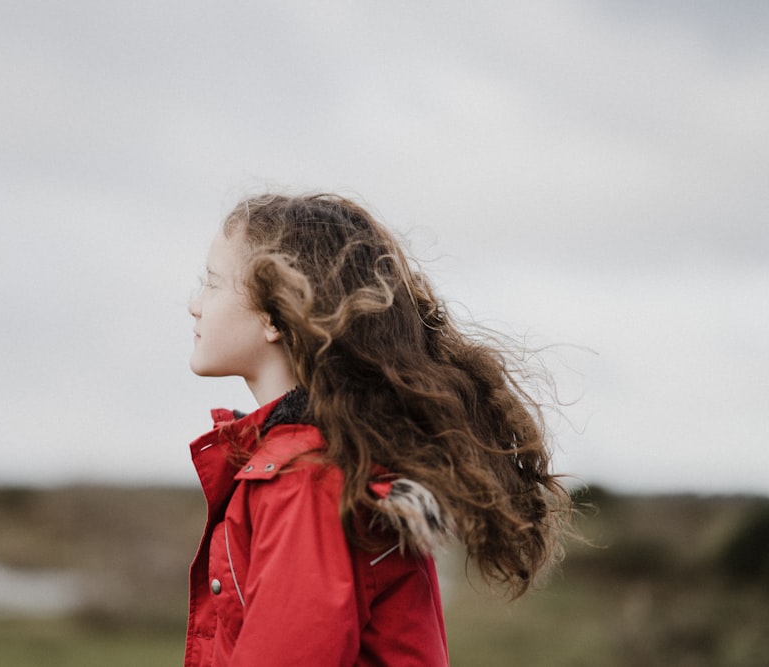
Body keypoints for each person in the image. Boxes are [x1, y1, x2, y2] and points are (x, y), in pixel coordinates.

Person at [183, 193, 571, 666]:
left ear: (273, 315)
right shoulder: (333, 460)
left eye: (213, 283)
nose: (194, 305)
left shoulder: (306, 481)